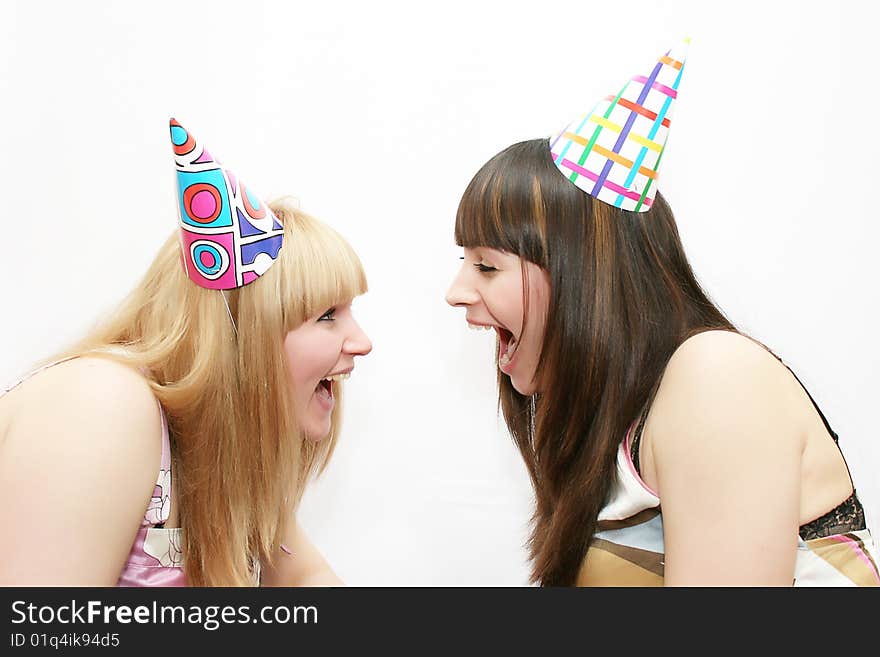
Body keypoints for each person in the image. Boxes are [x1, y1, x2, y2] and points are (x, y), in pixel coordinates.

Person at [445, 40, 878, 586]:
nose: (456, 291)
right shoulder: (620, 421)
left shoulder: (716, 376)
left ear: (583, 272)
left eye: (486, 266)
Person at [0, 119, 372, 586]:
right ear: (242, 333)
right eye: (326, 315)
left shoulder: (213, 455)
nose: (362, 342)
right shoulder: (101, 403)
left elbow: (306, 580)